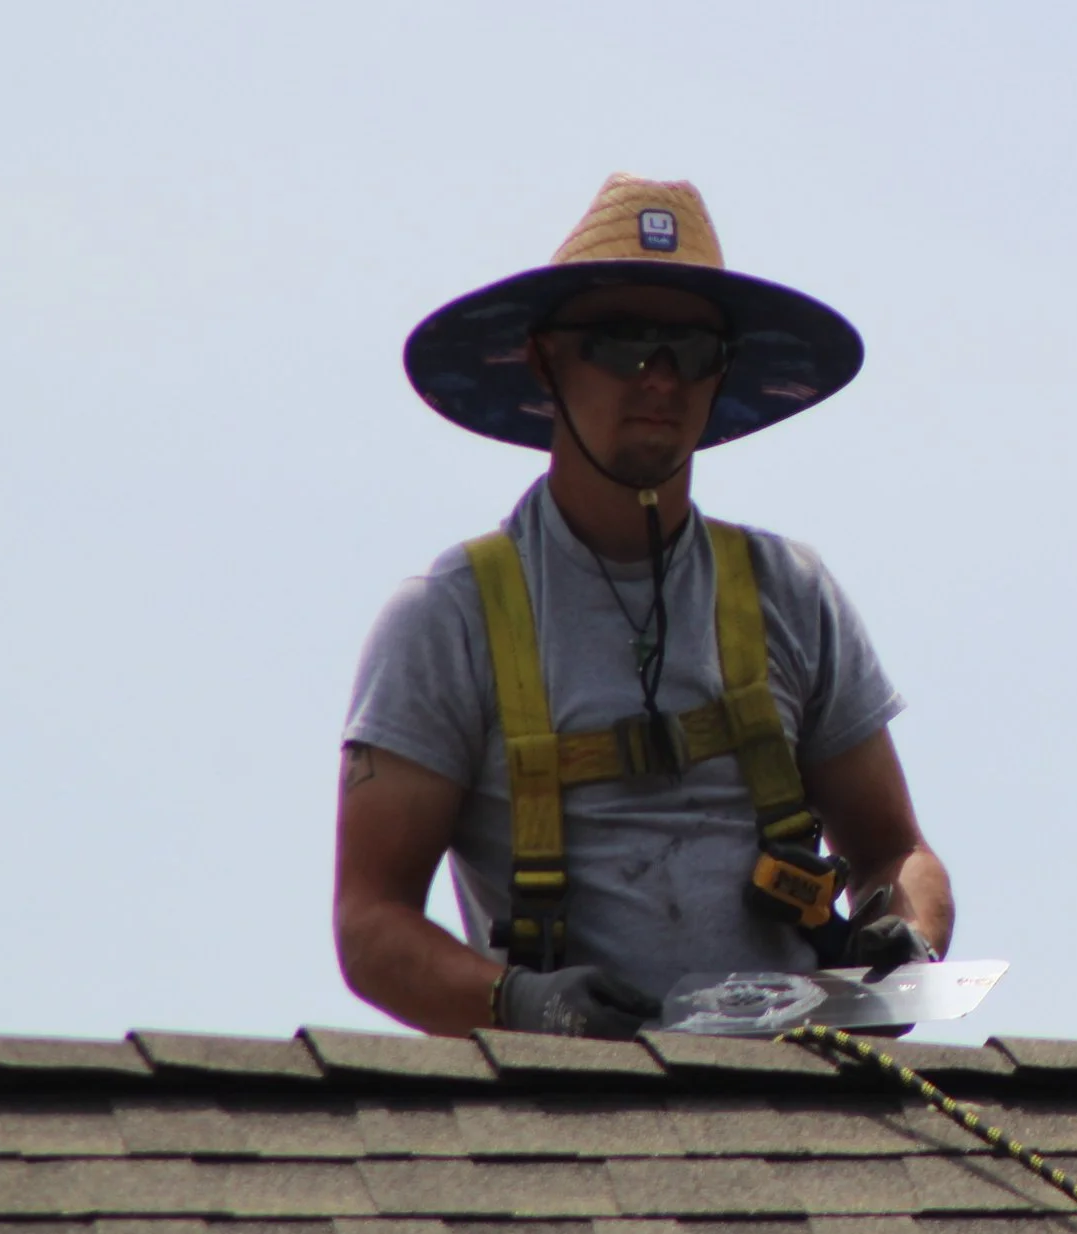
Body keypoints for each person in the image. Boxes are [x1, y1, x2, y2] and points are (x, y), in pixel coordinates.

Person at [336, 174, 954, 1040]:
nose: (660, 378)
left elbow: (895, 851)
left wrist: (907, 936)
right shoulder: (450, 620)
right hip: (575, 1129)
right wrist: (523, 1002)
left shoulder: (792, 594)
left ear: (722, 374)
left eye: (692, 349)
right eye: (624, 342)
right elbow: (370, 924)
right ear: (547, 360)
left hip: (798, 1106)